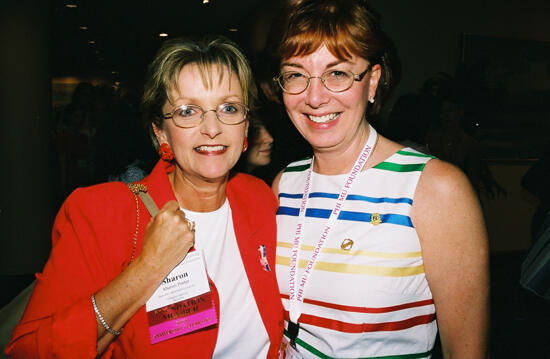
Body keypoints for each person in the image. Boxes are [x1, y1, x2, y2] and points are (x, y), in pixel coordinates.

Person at [6, 36, 283, 358]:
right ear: (160, 130)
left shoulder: (258, 198)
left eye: (229, 108)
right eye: (187, 111)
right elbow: (26, 351)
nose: (212, 127)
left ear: (245, 124)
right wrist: (148, 267)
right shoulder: (102, 212)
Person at [267, 1, 489, 358]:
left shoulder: (434, 188)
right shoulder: (284, 185)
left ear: (372, 81)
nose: (314, 96)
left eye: (337, 73)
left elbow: (467, 352)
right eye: (295, 74)